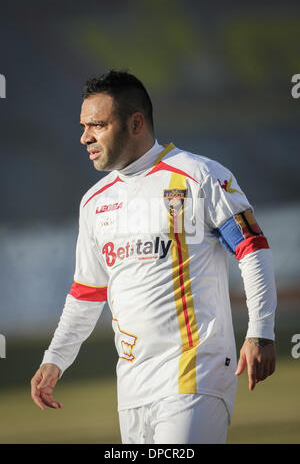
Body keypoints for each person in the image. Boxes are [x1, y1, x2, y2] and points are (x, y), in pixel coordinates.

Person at [30, 70, 277, 444]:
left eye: (97, 125)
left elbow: (252, 248)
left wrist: (261, 332)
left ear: (135, 123)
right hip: (131, 386)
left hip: (196, 374)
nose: (85, 137)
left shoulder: (200, 176)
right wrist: (55, 359)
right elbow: (86, 293)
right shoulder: (94, 202)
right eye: (83, 126)